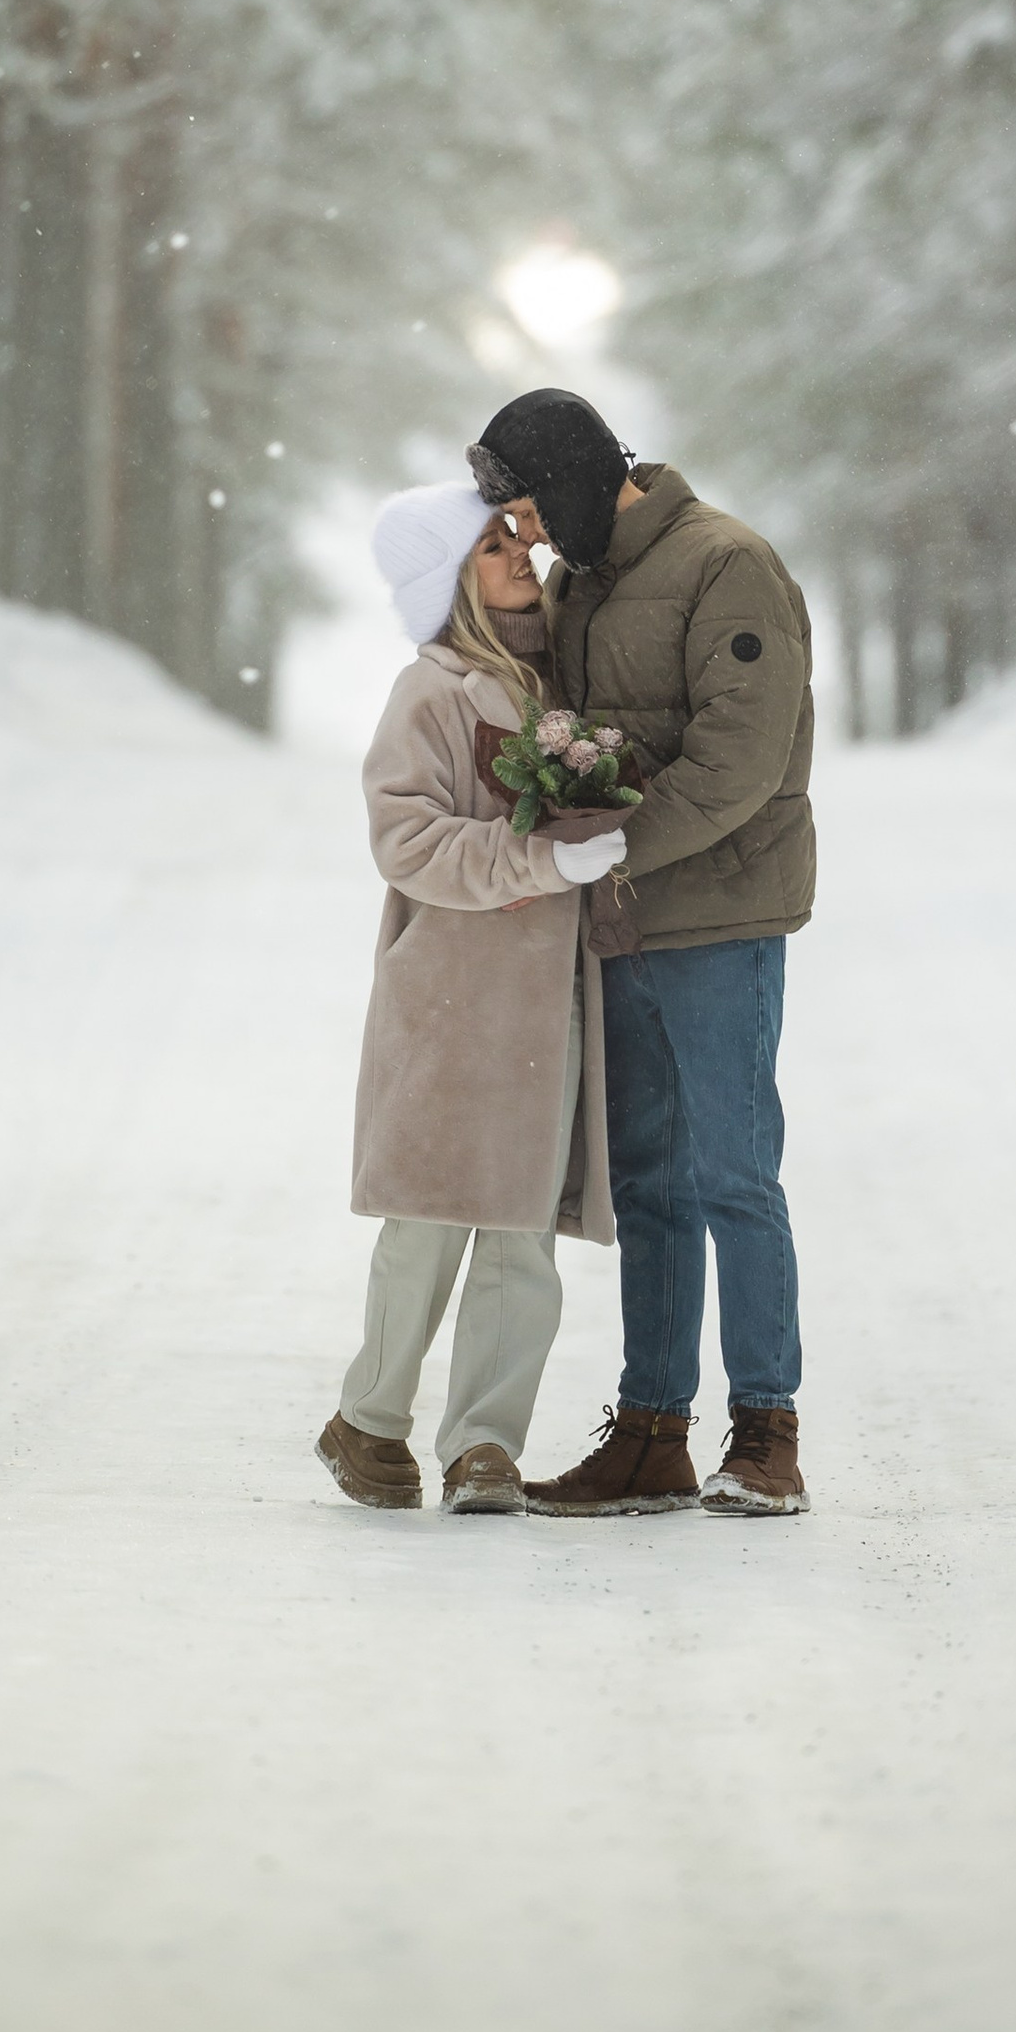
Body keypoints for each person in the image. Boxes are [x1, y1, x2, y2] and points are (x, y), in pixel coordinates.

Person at [465, 388, 816, 1521]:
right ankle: (652, 1432)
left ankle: (765, 1431)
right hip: (618, 921)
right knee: (647, 1185)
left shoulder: (728, 565)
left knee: (733, 1176)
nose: (533, 536)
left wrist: (611, 841)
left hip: (719, 917)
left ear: (572, 474)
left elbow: (740, 759)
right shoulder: (579, 581)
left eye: (529, 506)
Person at [317, 479, 627, 1517]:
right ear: (446, 578)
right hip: (451, 1001)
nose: (519, 556)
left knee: (521, 1234)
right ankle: (369, 1416)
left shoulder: (560, 686)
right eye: (493, 545)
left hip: (546, 1008)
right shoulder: (435, 690)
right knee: (431, 1218)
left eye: (516, 541)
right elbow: (405, 840)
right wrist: (536, 856)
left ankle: (485, 1445)